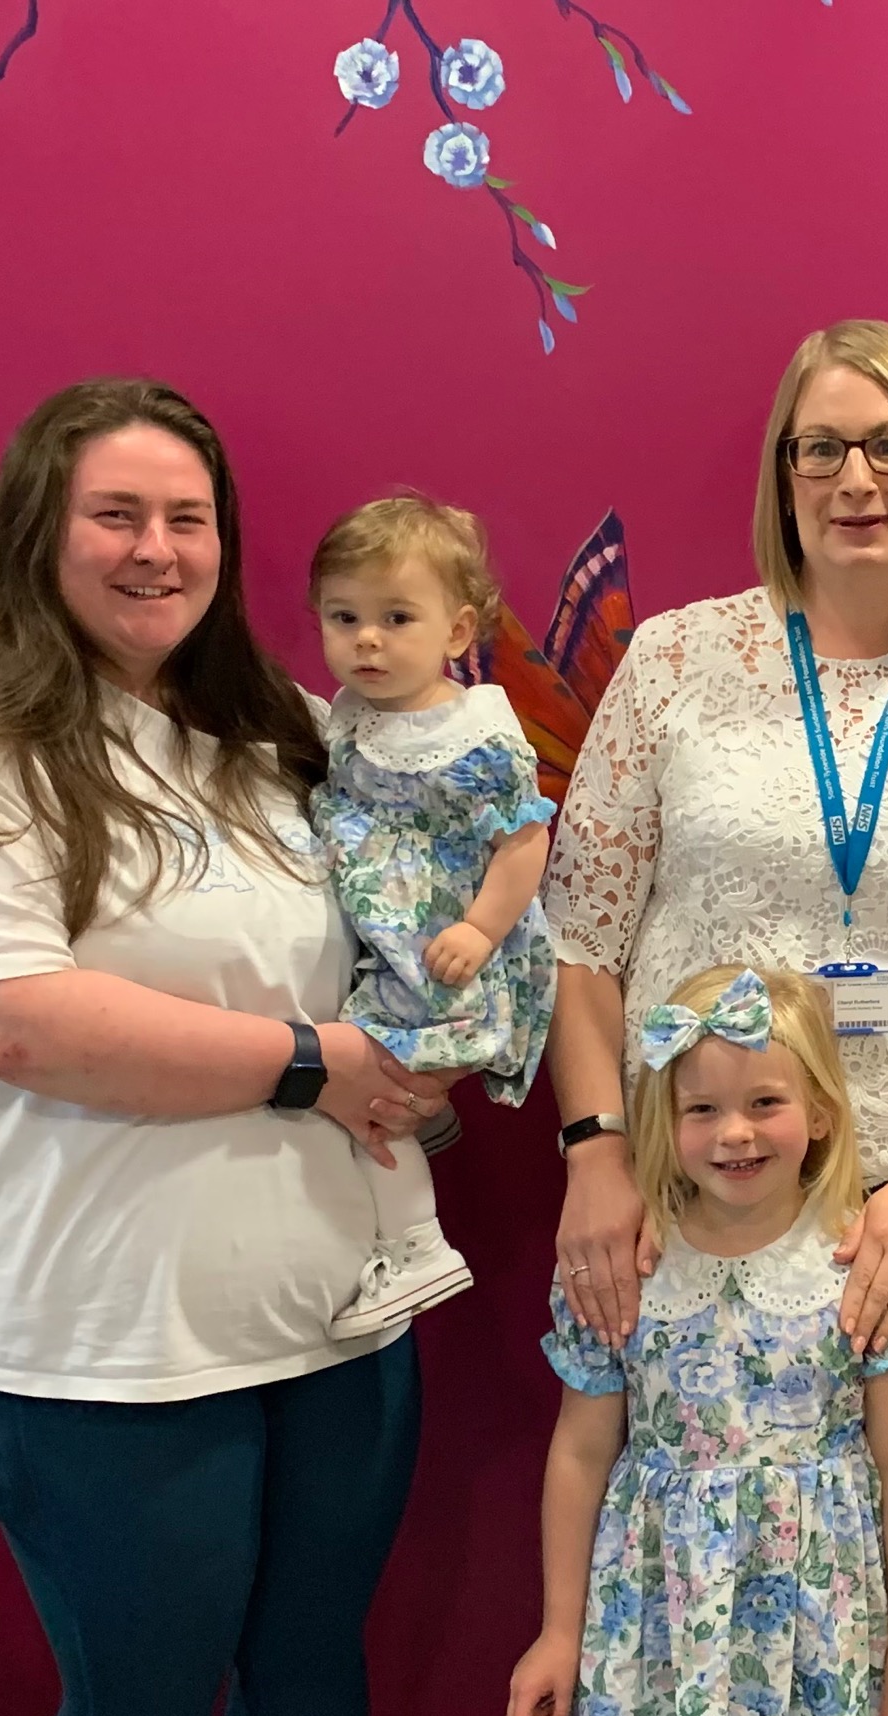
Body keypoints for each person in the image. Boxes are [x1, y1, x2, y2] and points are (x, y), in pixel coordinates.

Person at [0, 378, 445, 1716]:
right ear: (41, 532)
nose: (155, 548)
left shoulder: (286, 736)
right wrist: (313, 1062)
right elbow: (1, 1015)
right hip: (103, 1342)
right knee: (144, 1712)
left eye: (188, 517)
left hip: (334, 1311)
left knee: (309, 1677)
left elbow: (411, 917)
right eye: (118, 514)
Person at [541, 319, 888, 1499]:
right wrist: (594, 1154)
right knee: (686, 1536)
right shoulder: (675, 662)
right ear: (782, 474)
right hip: (695, 1189)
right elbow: (581, 939)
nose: (857, 481)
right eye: (823, 448)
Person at [503, 965, 888, 1716]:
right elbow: (581, 1452)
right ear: (662, 1125)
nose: (734, 1133)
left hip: (823, 1628)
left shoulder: (867, 1276)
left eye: (765, 1103)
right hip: (657, 1626)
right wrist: (560, 1632)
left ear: (820, 1113)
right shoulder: (624, 1274)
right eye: (701, 1108)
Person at [308, 489, 559, 1334]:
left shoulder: (475, 735)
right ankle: (434, 1125)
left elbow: (524, 841)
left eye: (395, 618)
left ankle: (417, 1245)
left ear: (456, 632)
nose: (366, 639)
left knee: (366, 1097)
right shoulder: (348, 714)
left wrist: (481, 927)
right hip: (381, 933)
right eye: (344, 617)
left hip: (438, 950)